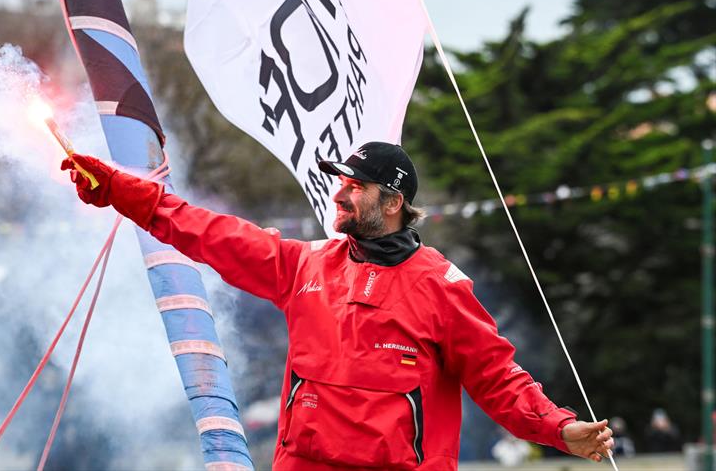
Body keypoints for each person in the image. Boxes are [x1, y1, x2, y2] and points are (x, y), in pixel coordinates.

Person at [62, 141, 614, 470]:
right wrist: (118, 190)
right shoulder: (304, 264)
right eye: (341, 181)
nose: (340, 193)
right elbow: (211, 233)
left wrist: (560, 429)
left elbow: (499, 378)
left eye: (358, 185)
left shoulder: (443, 285)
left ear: (394, 203)